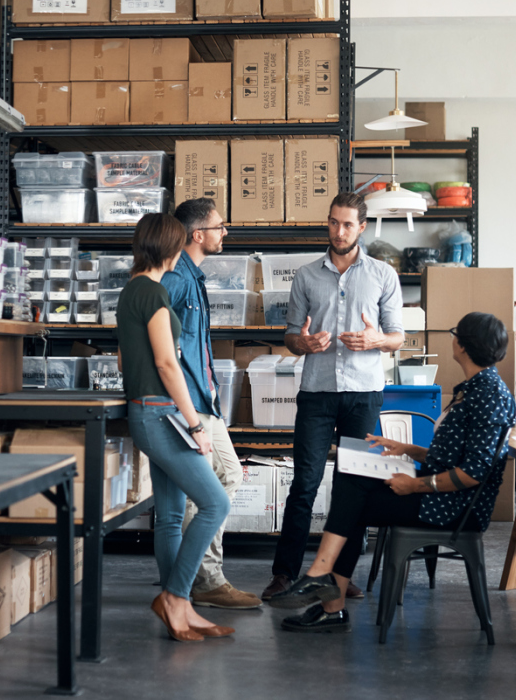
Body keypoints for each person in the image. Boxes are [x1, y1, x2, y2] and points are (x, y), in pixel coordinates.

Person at [267, 311, 516, 632]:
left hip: (450, 506)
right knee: (351, 466)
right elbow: (454, 456)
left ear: (464, 346)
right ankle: (326, 590)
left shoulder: (487, 396)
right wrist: (406, 449)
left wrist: (415, 486)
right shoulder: (477, 388)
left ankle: (326, 590)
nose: (452, 338)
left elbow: (474, 472)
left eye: (456, 333)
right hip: (441, 495)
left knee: (352, 493)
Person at [262, 192, 405, 602]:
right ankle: (284, 573)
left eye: (347, 224)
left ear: (362, 227)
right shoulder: (306, 276)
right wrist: (302, 343)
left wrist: (377, 338)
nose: (338, 231)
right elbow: (290, 336)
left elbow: (397, 337)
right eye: (333, 223)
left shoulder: (383, 275)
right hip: (317, 394)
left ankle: (341, 576)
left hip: (363, 394)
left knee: (353, 487)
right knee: (304, 484)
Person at [116, 212, 234, 642]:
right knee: (215, 504)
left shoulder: (132, 291)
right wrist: (194, 424)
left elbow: (124, 361)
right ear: (170, 247)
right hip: (163, 413)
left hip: (145, 411)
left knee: (168, 516)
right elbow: (169, 364)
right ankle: (177, 597)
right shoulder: (154, 294)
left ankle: (178, 607)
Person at [160, 198, 262, 610]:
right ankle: (204, 578)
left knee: (224, 477)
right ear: (198, 234)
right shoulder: (175, 280)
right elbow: (163, 350)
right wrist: (188, 412)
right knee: (208, 488)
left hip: (205, 400)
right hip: (187, 405)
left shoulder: (194, 277)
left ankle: (194, 574)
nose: (225, 233)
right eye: (220, 227)